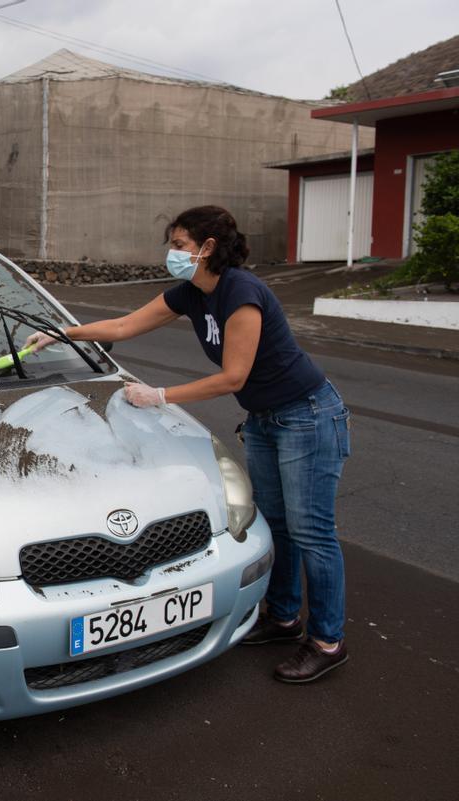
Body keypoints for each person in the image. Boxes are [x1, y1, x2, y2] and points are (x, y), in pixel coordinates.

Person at [25, 205, 351, 684]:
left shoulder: (242, 292)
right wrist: (60, 334)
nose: (171, 253)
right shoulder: (191, 293)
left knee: (312, 531)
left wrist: (159, 396)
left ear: (207, 248)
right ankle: (283, 617)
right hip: (264, 420)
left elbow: (233, 376)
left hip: (307, 414)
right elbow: (124, 326)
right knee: (279, 523)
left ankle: (327, 641)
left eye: (178, 245)